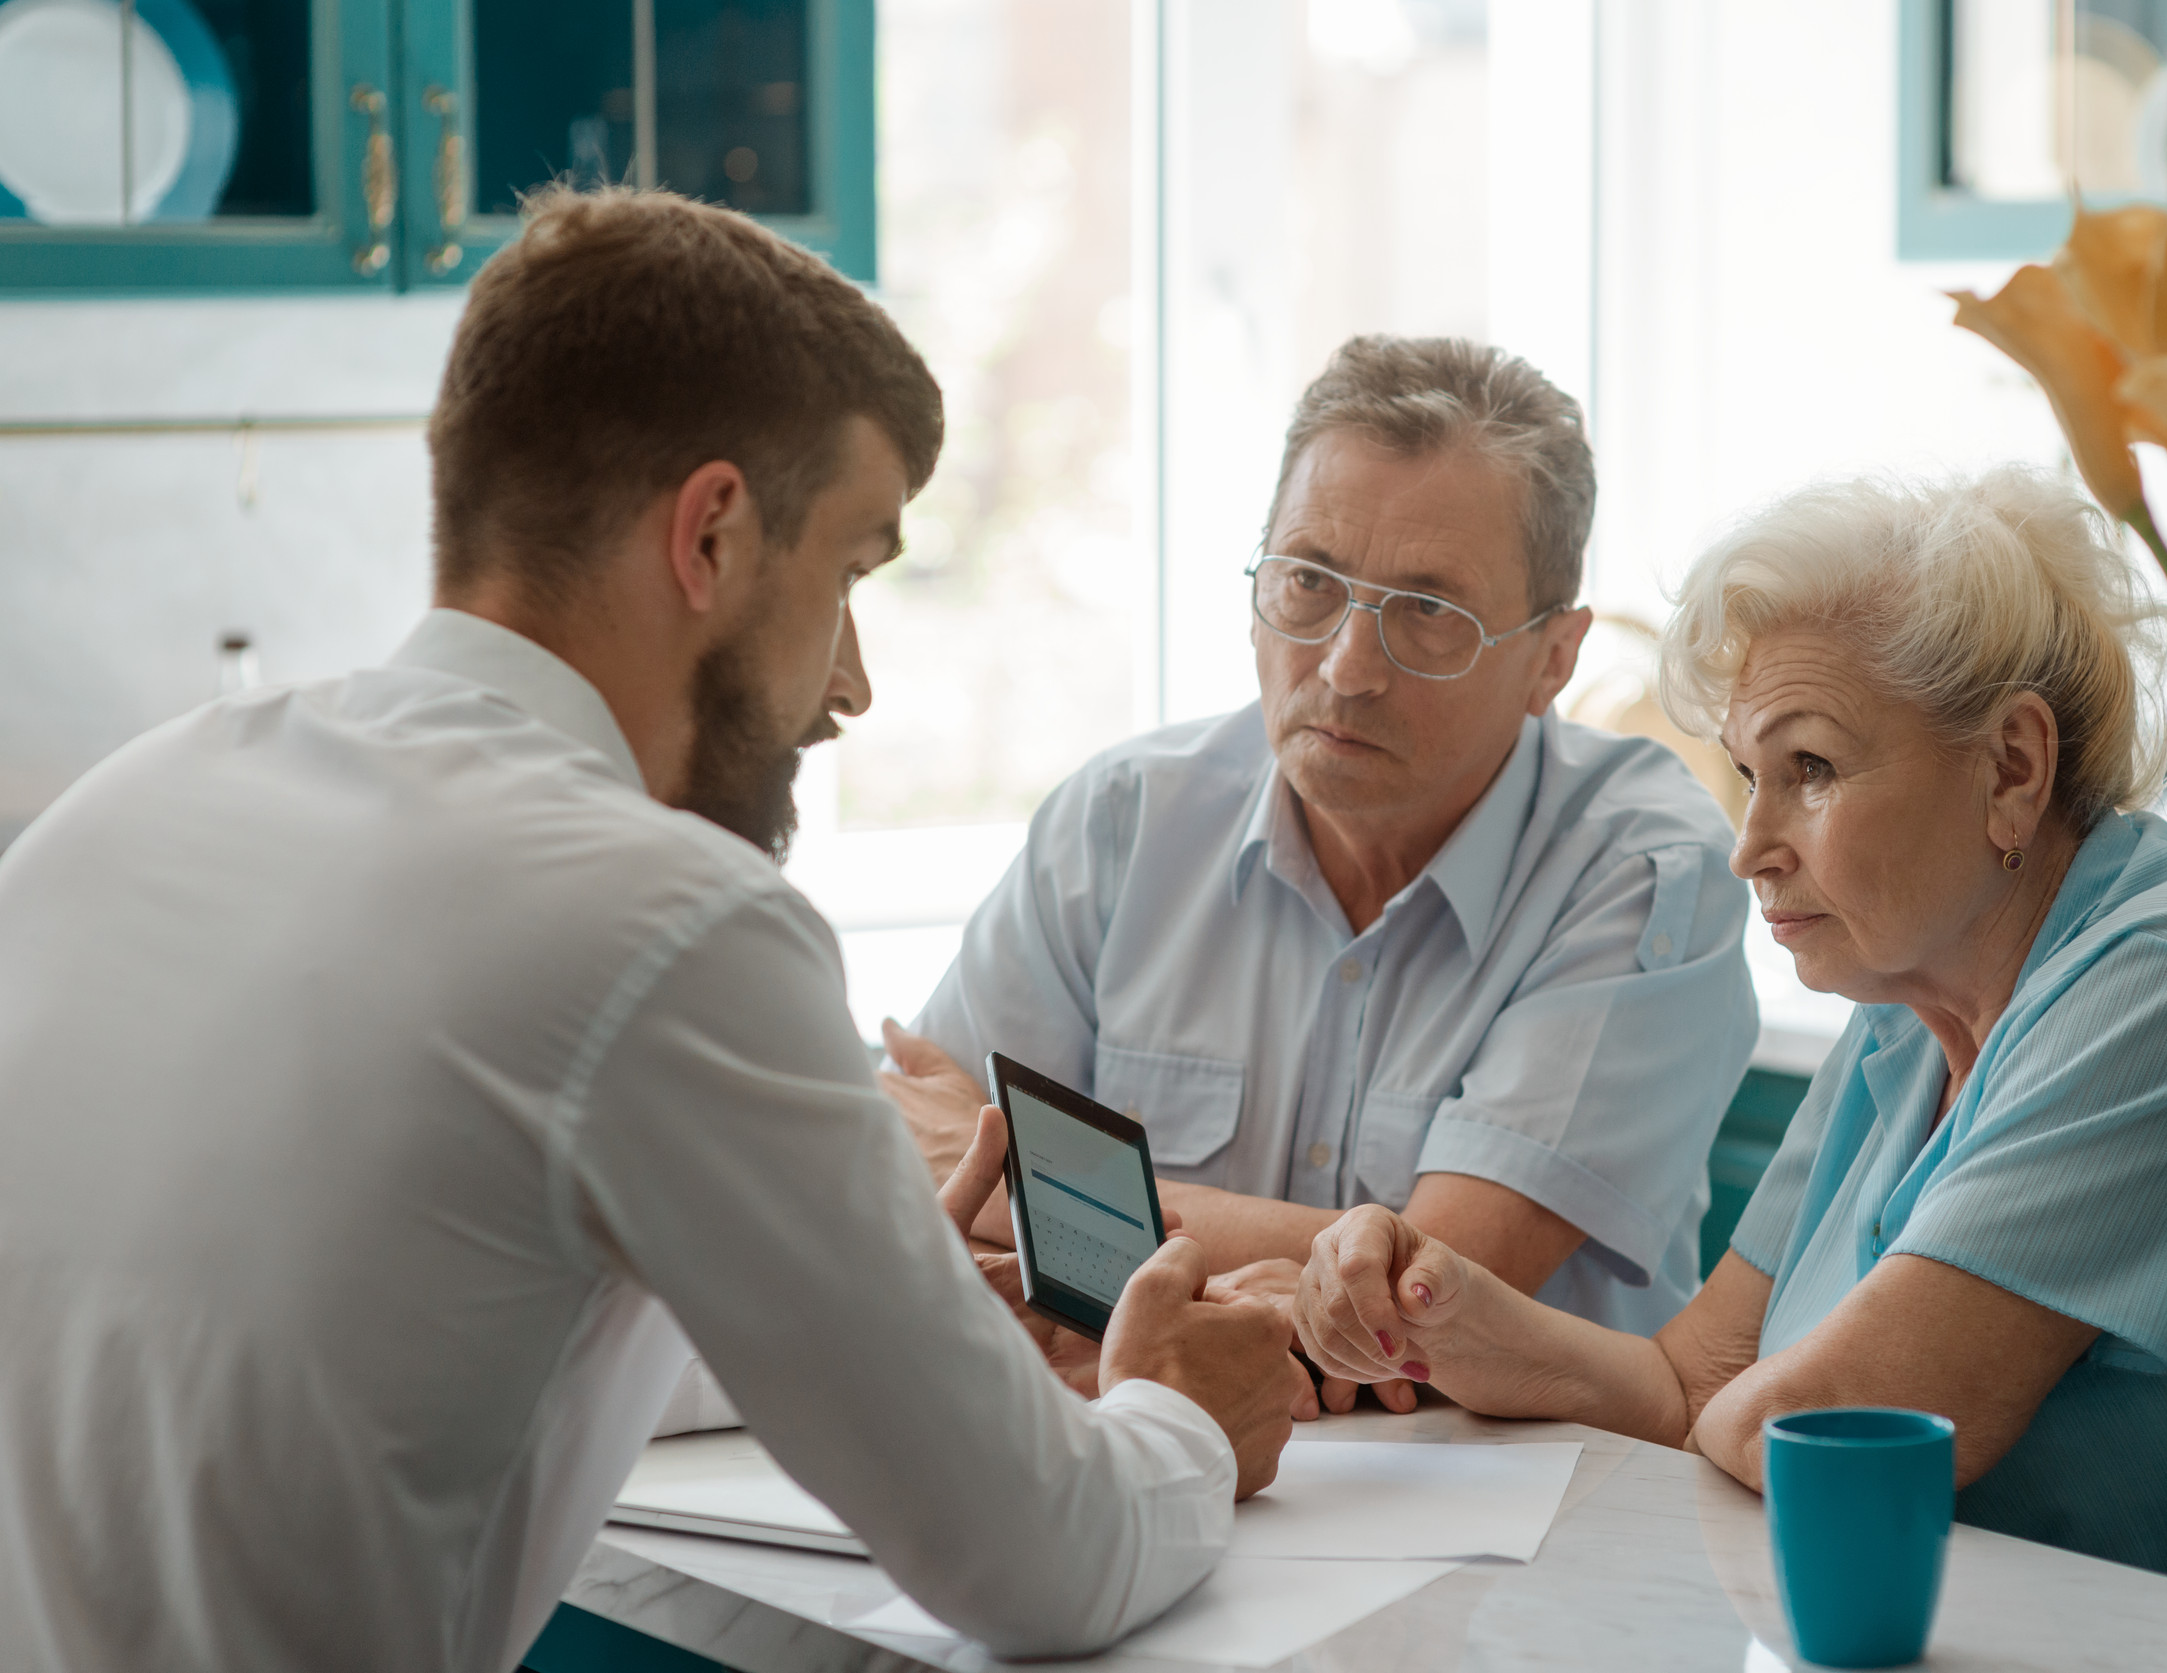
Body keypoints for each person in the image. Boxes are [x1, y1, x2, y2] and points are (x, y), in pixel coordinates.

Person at [0, 187, 1306, 1673]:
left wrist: (889, 1328)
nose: (851, 686)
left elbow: (429, 1325)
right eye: (851, 574)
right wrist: (1182, 1413)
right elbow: (1047, 1565)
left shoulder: (123, 805)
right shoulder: (666, 920)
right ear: (713, 535)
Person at [1288, 467, 2167, 1586]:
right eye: (1746, 776)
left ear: (2012, 764)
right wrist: (1445, 1310)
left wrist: (1733, 1411)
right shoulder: (1904, 1001)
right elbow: (1685, 1382)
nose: (1749, 844)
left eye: (1808, 768)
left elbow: (1830, 1416)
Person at [882, 336, 1759, 1398]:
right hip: (1137, 1450)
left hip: (1511, 1515)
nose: (1346, 667)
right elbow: (900, 1180)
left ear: (1552, 659)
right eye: (1307, 581)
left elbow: (1425, 1298)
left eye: (1428, 612)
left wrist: (1020, 1185)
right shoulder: (1120, 820)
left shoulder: (1644, 865)